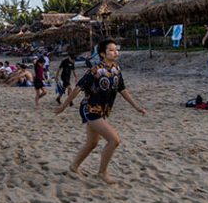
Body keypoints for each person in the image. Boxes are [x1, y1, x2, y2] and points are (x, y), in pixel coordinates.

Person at [55, 39, 146, 185]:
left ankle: (74, 166)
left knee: (92, 143)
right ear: (103, 54)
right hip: (90, 109)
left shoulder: (116, 68)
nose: (115, 52)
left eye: (116, 49)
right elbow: (78, 88)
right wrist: (64, 106)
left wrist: (136, 106)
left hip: (102, 110)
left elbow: (122, 89)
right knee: (114, 140)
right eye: (111, 50)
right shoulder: (95, 70)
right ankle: (102, 173)